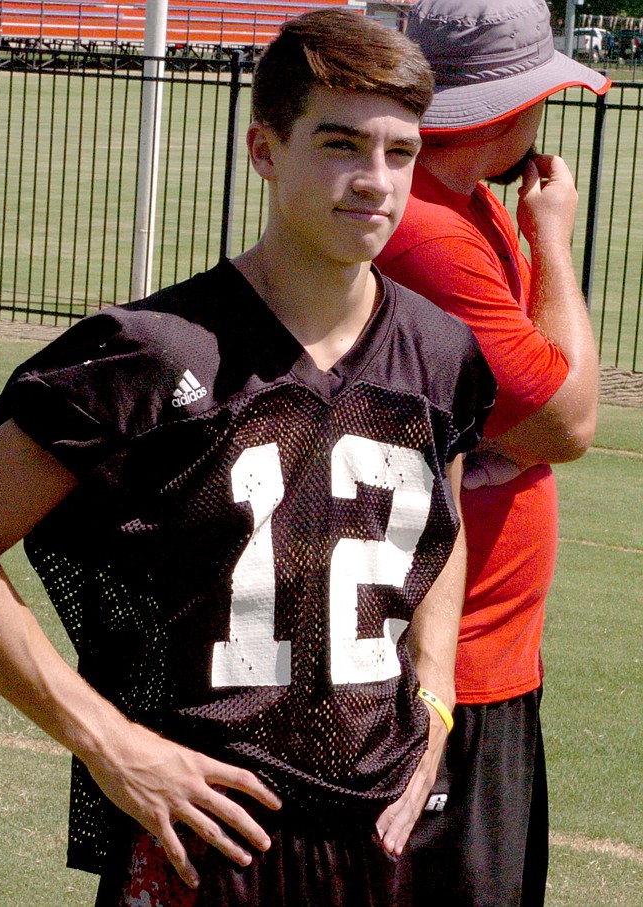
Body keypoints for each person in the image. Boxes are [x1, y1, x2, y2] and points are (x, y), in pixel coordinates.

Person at [0, 10, 496, 906]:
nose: (375, 181)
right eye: (341, 145)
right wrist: (111, 743)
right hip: (202, 835)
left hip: (378, 826)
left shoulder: (443, 353)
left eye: (400, 152)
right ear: (263, 150)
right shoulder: (151, 352)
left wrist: (438, 695)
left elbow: (438, 528)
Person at [376, 2, 610, 905]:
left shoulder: (463, 205)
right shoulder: (432, 231)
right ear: (513, 109)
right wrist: (553, 237)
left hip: (483, 662)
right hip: (447, 680)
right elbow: (564, 423)